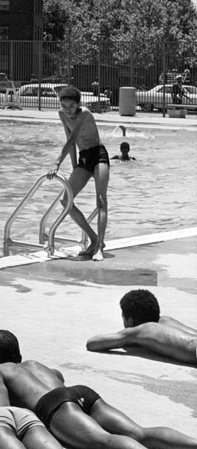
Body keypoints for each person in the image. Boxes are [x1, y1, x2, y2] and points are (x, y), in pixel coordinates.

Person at [0, 330, 196, 449]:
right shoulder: (34, 364)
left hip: (55, 406)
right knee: (138, 432)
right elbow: (59, 376)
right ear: (19, 355)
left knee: (104, 442)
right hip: (80, 392)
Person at [46, 86, 108, 261]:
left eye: (71, 106)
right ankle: (94, 239)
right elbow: (70, 142)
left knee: (101, 201)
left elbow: (74, 138)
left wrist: (57, 162)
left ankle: (99, 248)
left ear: (78, 104)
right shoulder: (61, 114)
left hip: (98, 155)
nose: (67, 110)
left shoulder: (85, 114)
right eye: (64, 106)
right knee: (66, 201)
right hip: (84, 158)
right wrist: (74, 166)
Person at [86, 289, 197, 365]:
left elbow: (92, 343)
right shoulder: (166, 320)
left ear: (130, 321)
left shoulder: (142, 330)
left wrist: (129, 337)